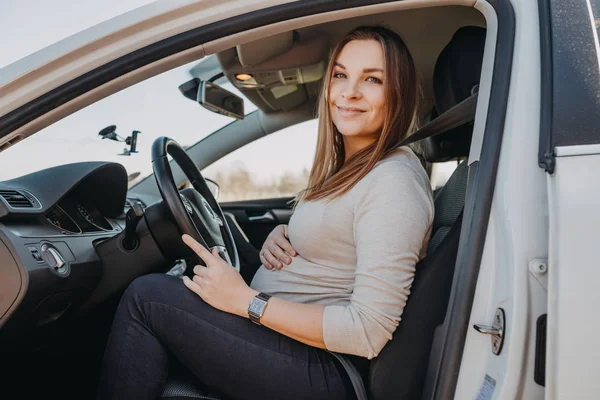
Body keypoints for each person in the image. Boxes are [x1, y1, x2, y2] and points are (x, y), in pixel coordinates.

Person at [96, 25, 434, 400]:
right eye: (340, 74)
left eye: (372, 79)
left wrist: (246, 301)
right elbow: (342, 244)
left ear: (398, 93)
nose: (349, 91)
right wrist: (286, 238)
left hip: (327, 370)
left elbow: (366, 331)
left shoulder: (393, 182)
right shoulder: (356, 169)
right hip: (294, 345)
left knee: (148, 298)